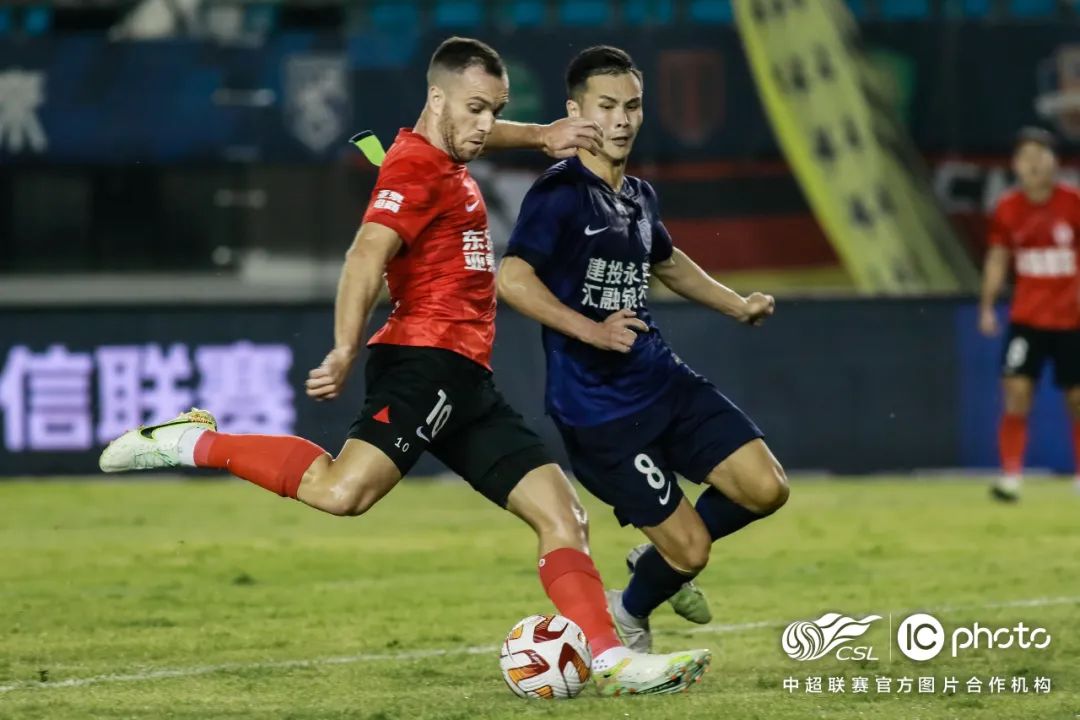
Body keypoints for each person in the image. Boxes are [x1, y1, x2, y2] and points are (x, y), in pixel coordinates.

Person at [98, 36, 710, 696]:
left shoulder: (443, 153)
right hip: (422, 363)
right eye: (475, 109)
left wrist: (538, 135)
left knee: (564, 516)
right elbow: (365, 254)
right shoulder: (414, 169)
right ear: (436, 98)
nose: (486, 125)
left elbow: (478, 133)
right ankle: (193, 441)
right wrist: (344, 345)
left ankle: (613, 661)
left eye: (495, 110)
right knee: (342, 492)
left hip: (467, 378)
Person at [497, 46, 789, 652]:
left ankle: (652, 560)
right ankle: (630, 611)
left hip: (661, 380)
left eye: (632, 106)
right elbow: (513, 279)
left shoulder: (638, 195)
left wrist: (737, 305)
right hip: (600, 413)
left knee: (767, 488)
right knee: (692, 551)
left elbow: (668, 261)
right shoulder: (560, 194)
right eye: (606, 106)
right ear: (575, 112)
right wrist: (591, 330)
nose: (622, 120)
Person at [979, 126, 1080, 501]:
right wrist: (987, 306)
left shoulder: (1073, 203)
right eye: (1025, 157)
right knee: (1016, 390)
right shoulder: (1007, 208)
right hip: (1027, 318)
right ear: (1015, 165)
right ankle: (1011, 477)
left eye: (1040, 156)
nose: (1033, 164)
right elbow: (998, 258)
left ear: (1055, 162)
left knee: (1077, 399)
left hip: (1073, 319)